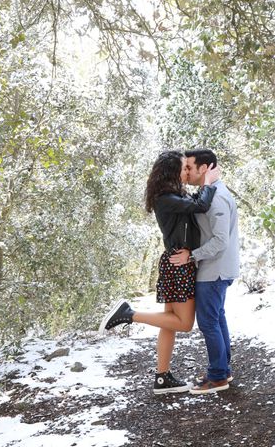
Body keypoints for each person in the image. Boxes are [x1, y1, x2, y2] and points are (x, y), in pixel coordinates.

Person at [98, 150, 220, 395]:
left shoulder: (173, 195)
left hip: (176, 262)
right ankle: (129, 314)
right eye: (183, 168)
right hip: (178, 263)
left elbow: (193, 205)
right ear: (171, 172)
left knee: (170, 324)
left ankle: (162, 378)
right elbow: (201, 205)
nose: (187, 171)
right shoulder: (165, 197)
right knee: (184, 324)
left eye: (188, 167)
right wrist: (208, 181)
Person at [170, 148, 240, 394]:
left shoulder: (217, 197)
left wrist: (192, 256)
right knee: (217, 318)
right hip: (216, 269)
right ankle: (223, 369)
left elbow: (220, 240)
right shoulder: (208, 193)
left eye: (189, 167)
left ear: (205, 168)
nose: (186, 171)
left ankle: (218, 376)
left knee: (209, 322)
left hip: (215, 270)